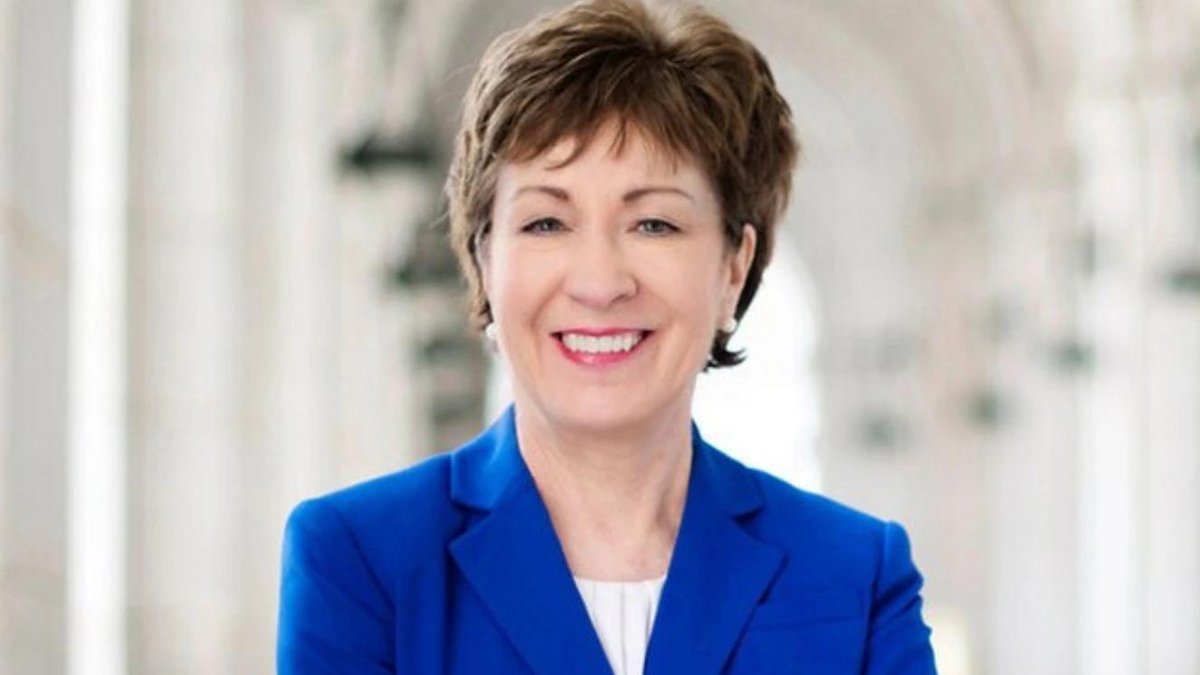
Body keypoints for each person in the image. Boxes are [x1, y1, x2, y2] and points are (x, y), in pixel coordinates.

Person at [277, 0, 938, 673]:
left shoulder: (856, 574)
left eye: (654, 224)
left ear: (732, 268)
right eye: (545, 223)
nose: (599, 282)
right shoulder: (362, 560)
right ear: (484, 260)